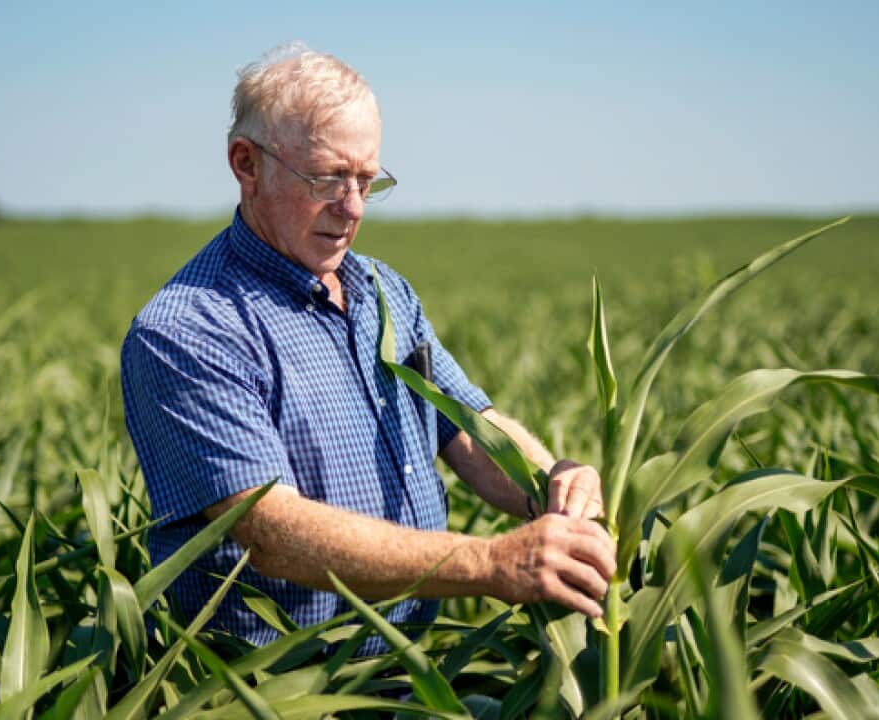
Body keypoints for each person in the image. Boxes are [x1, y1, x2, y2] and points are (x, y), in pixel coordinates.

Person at [121, 43, 615, 655]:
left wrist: (555, 485)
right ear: (246, 164)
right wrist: (488, 562)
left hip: (411, 673)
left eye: (367, 180)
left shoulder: (384, 292)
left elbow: (466, 429)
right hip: (272, 688)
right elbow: (270, 529)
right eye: (327, 179)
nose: (353, 208)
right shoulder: (188, 330)